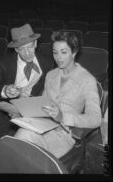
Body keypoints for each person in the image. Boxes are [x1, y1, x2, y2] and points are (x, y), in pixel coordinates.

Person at [14, 30, 102, 159]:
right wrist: (23, 111)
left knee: (23, 139)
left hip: (64, 134)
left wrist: (63, 117)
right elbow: (43, 105)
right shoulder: (51, 75)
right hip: (43, 126)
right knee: (18, 138)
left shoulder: (87, 80)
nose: (58, 57)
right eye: (55, 53)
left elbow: (95, 119)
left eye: (64, 52)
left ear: (74, 52)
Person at [0, 23, 54, 144]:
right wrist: (5, 90)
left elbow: (47, 88)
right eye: (22, 49)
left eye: (30, 47)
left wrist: (28, 108)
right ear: (16, 49)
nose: (27, 53)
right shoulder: (2, 63)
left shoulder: (47, 63)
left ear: (35, 44)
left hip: (29, 105)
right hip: (4, 105)